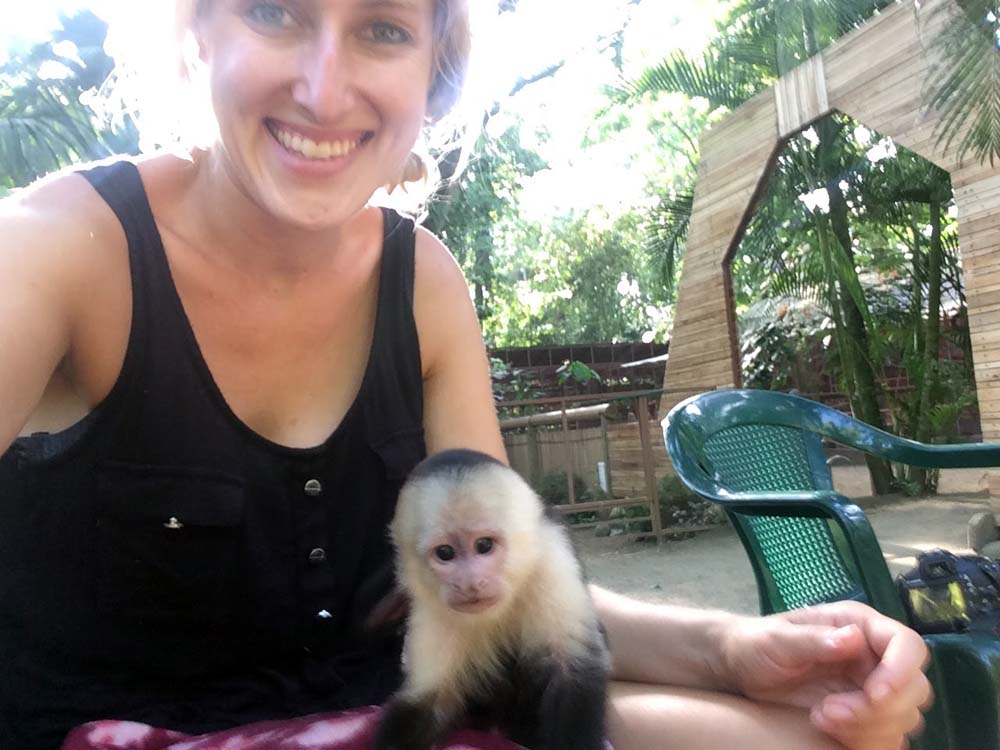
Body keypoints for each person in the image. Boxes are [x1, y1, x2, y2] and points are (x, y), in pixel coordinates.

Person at [0, 1, 930, 748]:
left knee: (822, 730)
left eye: (382, 29)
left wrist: (734, 649)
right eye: (275, 13)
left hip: (405, 715)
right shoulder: (61, 253)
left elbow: (507, 581)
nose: (325, 89)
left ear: (429, 78)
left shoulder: (423, 283)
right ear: (196, 29)